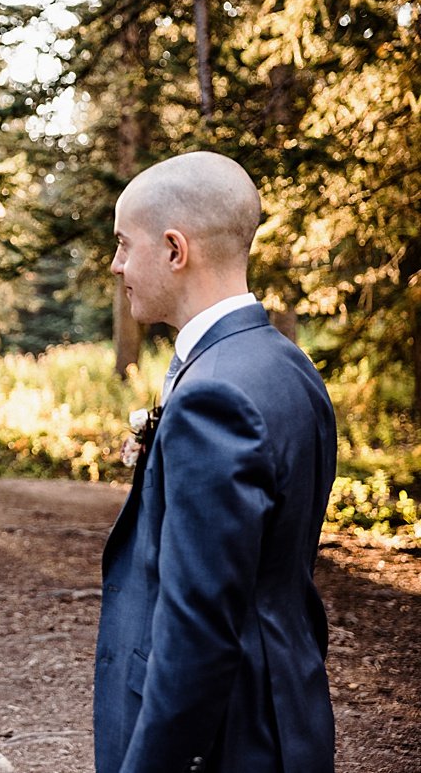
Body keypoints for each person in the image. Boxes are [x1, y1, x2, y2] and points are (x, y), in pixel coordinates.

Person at [96, 151, 336, 773]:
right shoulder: (287, 365)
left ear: (175, 250)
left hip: (231, 740)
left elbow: (198, 630)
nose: (116, 264)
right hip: (289, 710)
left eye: (124, 244)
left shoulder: (213, 394)